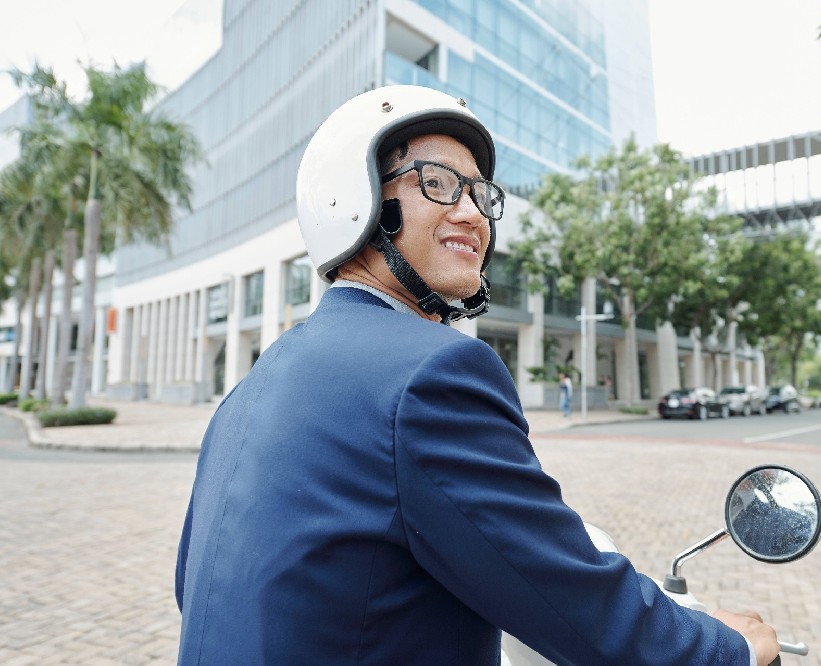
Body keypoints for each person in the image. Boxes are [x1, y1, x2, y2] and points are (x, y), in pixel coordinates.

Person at [174, 85, 779, 665]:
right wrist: (729, 648)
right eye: (436, 184)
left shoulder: (253, 387)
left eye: (480, 195)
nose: (472, 214)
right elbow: (571, 598)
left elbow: (194, 586)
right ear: (351, 200)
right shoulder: (432, 372)